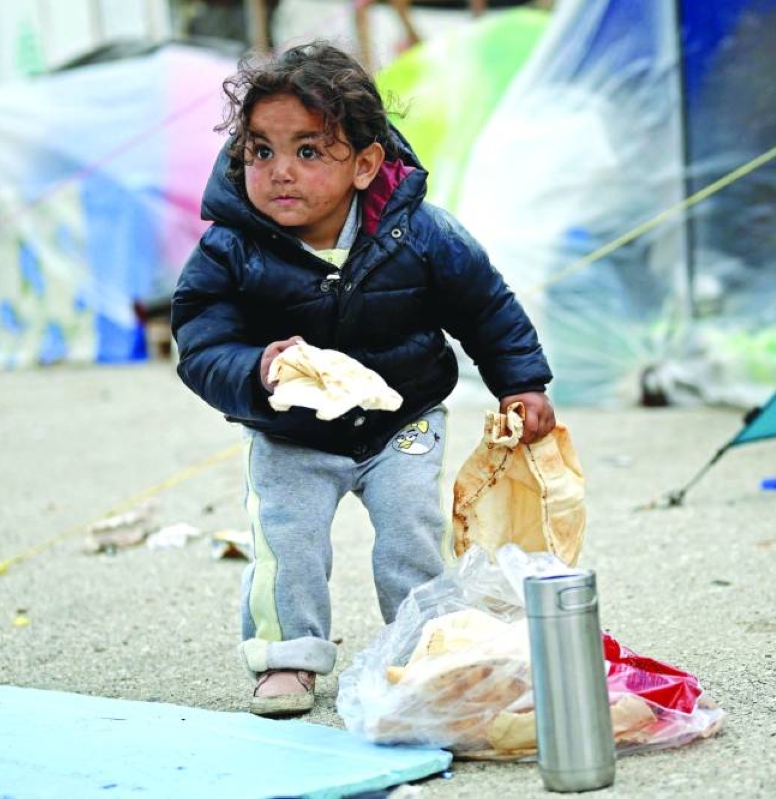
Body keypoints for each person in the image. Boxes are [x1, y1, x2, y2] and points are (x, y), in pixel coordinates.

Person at [170, 41, 554, 717]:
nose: (280, 172)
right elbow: (201, 340)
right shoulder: (232, 246)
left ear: (365, 163)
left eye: (308, 151)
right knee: (285, 539)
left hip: (401, 418)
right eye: (260, 151)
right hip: (289, 428)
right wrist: (258, 370)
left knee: (410, 525)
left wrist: (521, 382)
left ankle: (425, 644)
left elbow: (485, 304)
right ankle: (287, 656)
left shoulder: (419, 234)